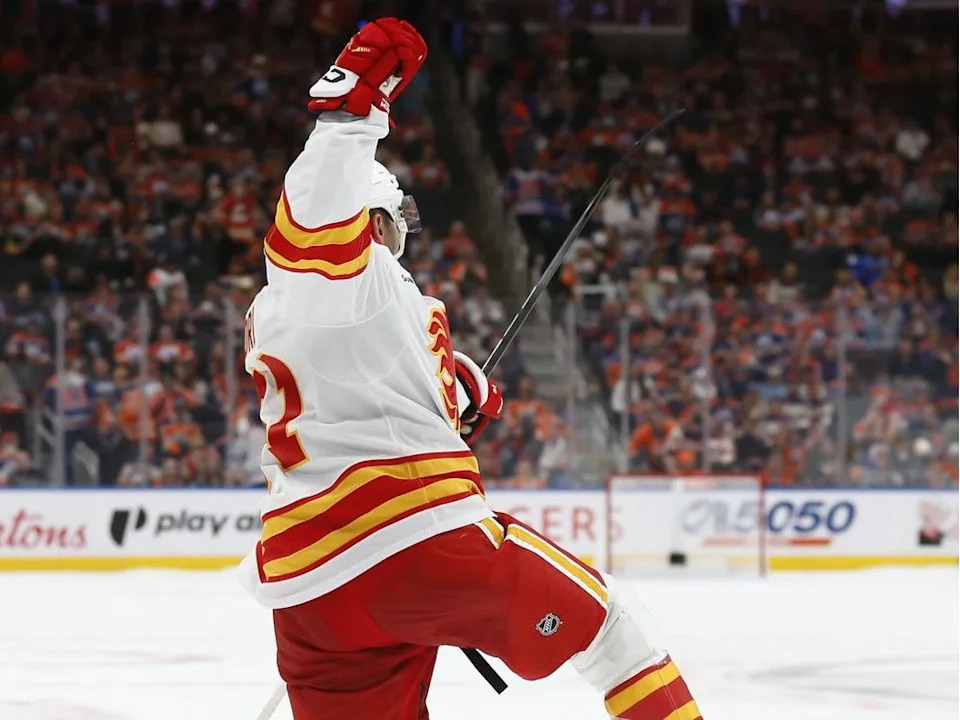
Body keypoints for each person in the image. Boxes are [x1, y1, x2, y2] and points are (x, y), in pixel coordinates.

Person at [241, 19, 701, 720]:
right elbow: (310, 228)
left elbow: (356, 381)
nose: (401, 239)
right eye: (395, 223)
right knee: (612, 631)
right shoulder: (345, 276)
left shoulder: (303, 312)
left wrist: (450, 391)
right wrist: (348, 116)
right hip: (406, 539)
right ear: (373, 222)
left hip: (309, 587)